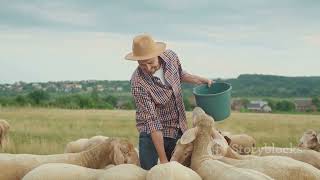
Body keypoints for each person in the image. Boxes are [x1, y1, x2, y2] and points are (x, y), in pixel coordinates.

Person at [124, 34, 213, 170]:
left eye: (150, 62)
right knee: (150, 173)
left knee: (183, 171)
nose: (147, 68)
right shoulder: (138, 84)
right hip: (151, 135)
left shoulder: (171, 57)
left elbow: (180, 74)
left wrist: (199, 80)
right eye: (142, 65)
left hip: (177, 128)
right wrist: (164, 160)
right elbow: (153, 123)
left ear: (157, 54)